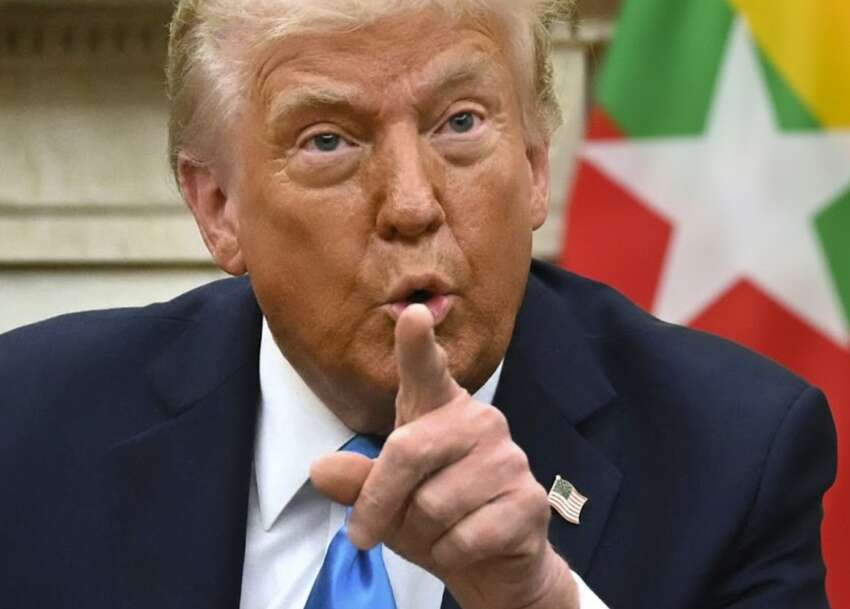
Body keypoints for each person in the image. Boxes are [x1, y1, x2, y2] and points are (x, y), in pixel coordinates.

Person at [0, 1, 836, 608]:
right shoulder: (29, 428)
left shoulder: (733, 459)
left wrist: (540, 600)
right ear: (218, 206)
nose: (411, 203)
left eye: (460, 123)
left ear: (535, 164)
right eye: (329, 140)